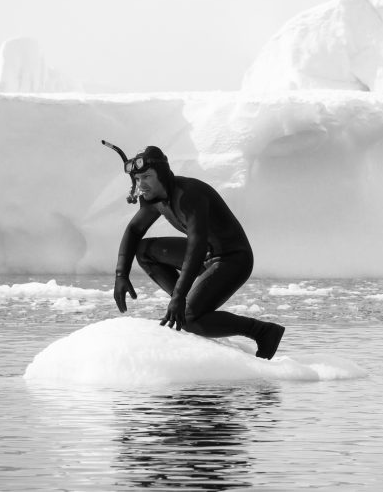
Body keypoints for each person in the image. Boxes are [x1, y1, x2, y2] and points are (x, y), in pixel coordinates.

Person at [111, 145, 285, 359]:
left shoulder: (189, 195)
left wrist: (179, 295)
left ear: (162, 175)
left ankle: (263, 331)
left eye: (146, 176)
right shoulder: (152, 198)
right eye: (137, 179)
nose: (141, 184)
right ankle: (187, 304)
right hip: (205, 257)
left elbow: (197, 244)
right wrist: (121, 274)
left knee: (190, 319)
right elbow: (134, 230)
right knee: (144, 250)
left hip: (232, 259)